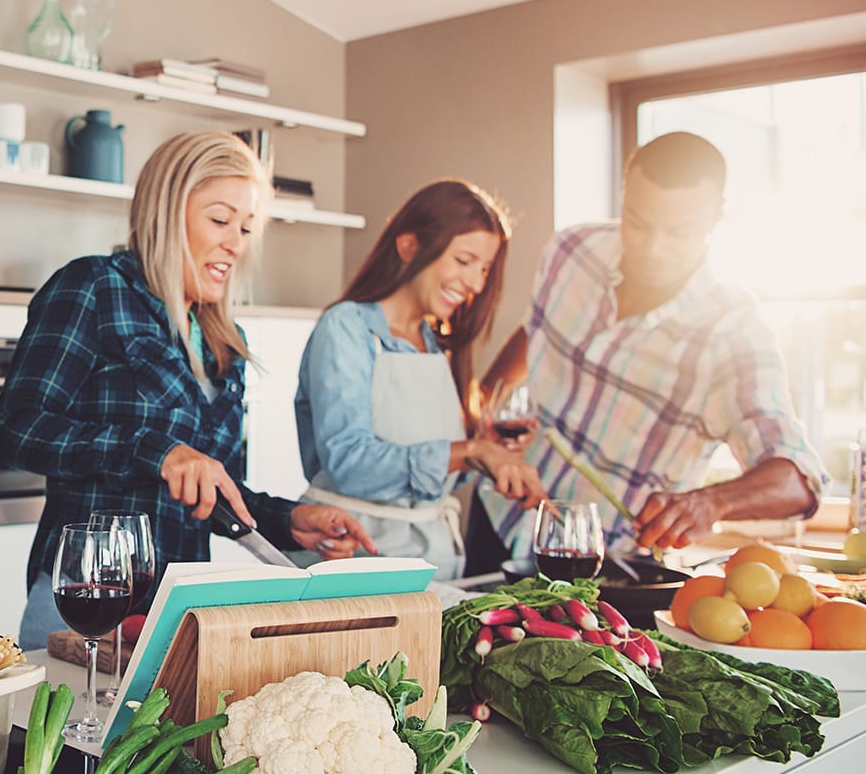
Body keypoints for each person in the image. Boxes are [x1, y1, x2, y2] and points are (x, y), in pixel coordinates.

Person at [0, 130, 377, 649]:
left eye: (245, 228)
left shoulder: (225, 340)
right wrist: (156, 452)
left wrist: (289, 521)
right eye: (219, 220)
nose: (235, 243)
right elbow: (16, 430)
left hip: (181, 609)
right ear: (166, 212)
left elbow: (213, 491)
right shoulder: (93, 289)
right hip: (87, 603)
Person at [480, 131, 824, 558]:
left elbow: (799, 480)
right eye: (637, 222)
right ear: (623, 197)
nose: (652, 248)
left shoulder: (734, 333)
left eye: (678, 232)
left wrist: (709, 503)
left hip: (608, 565)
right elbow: (536, 330)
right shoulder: (571, 251)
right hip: (500, 513)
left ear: (717, 216)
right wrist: (485, 410)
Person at [293, 180, 546, 580]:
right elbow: (348, 462)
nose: (477, 284)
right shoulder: (346, 327)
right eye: (464, 261)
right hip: (352, 559)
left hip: (433, 561)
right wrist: (469, 451)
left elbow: (431, 468)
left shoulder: (436, 342)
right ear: (409, 246)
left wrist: (484, 453)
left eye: (484, 269)